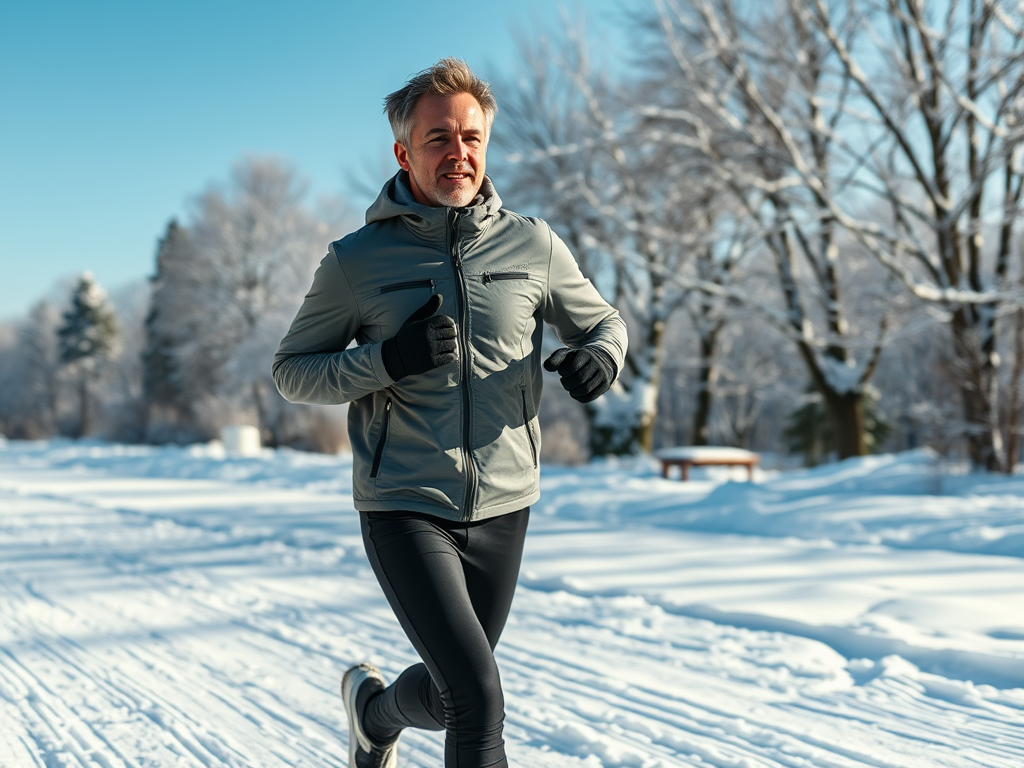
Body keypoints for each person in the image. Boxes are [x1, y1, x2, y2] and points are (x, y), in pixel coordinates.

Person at [273, 57, 627, 768]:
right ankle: (377, 716)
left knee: (450, 694)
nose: (458, 153)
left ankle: (374, 715)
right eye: (438, 138)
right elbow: (292, 373)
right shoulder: (356, 262)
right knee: (478, 698)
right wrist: (387, 361)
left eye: (470, 137)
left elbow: (604, 323)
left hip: (504, 503)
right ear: (404, 152)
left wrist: (601, 358)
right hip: (404, 501)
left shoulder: (533, 244)